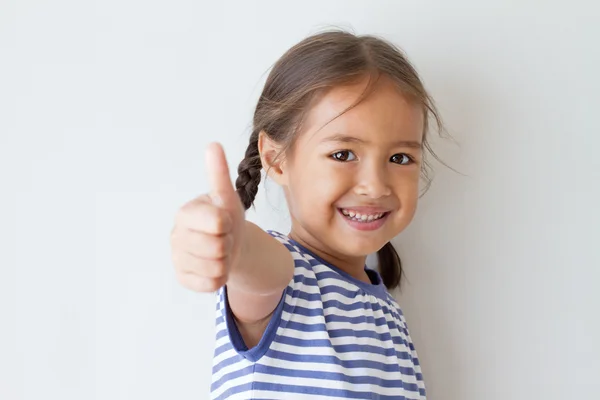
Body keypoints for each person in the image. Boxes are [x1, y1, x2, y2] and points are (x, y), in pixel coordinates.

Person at [170, 30, 443, 400]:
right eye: (343, 154)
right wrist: (231, 244)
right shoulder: (286, 275)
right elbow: (259, 269)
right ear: (276, 158)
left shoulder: (387, 312)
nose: (375, 185)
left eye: (399, 158)